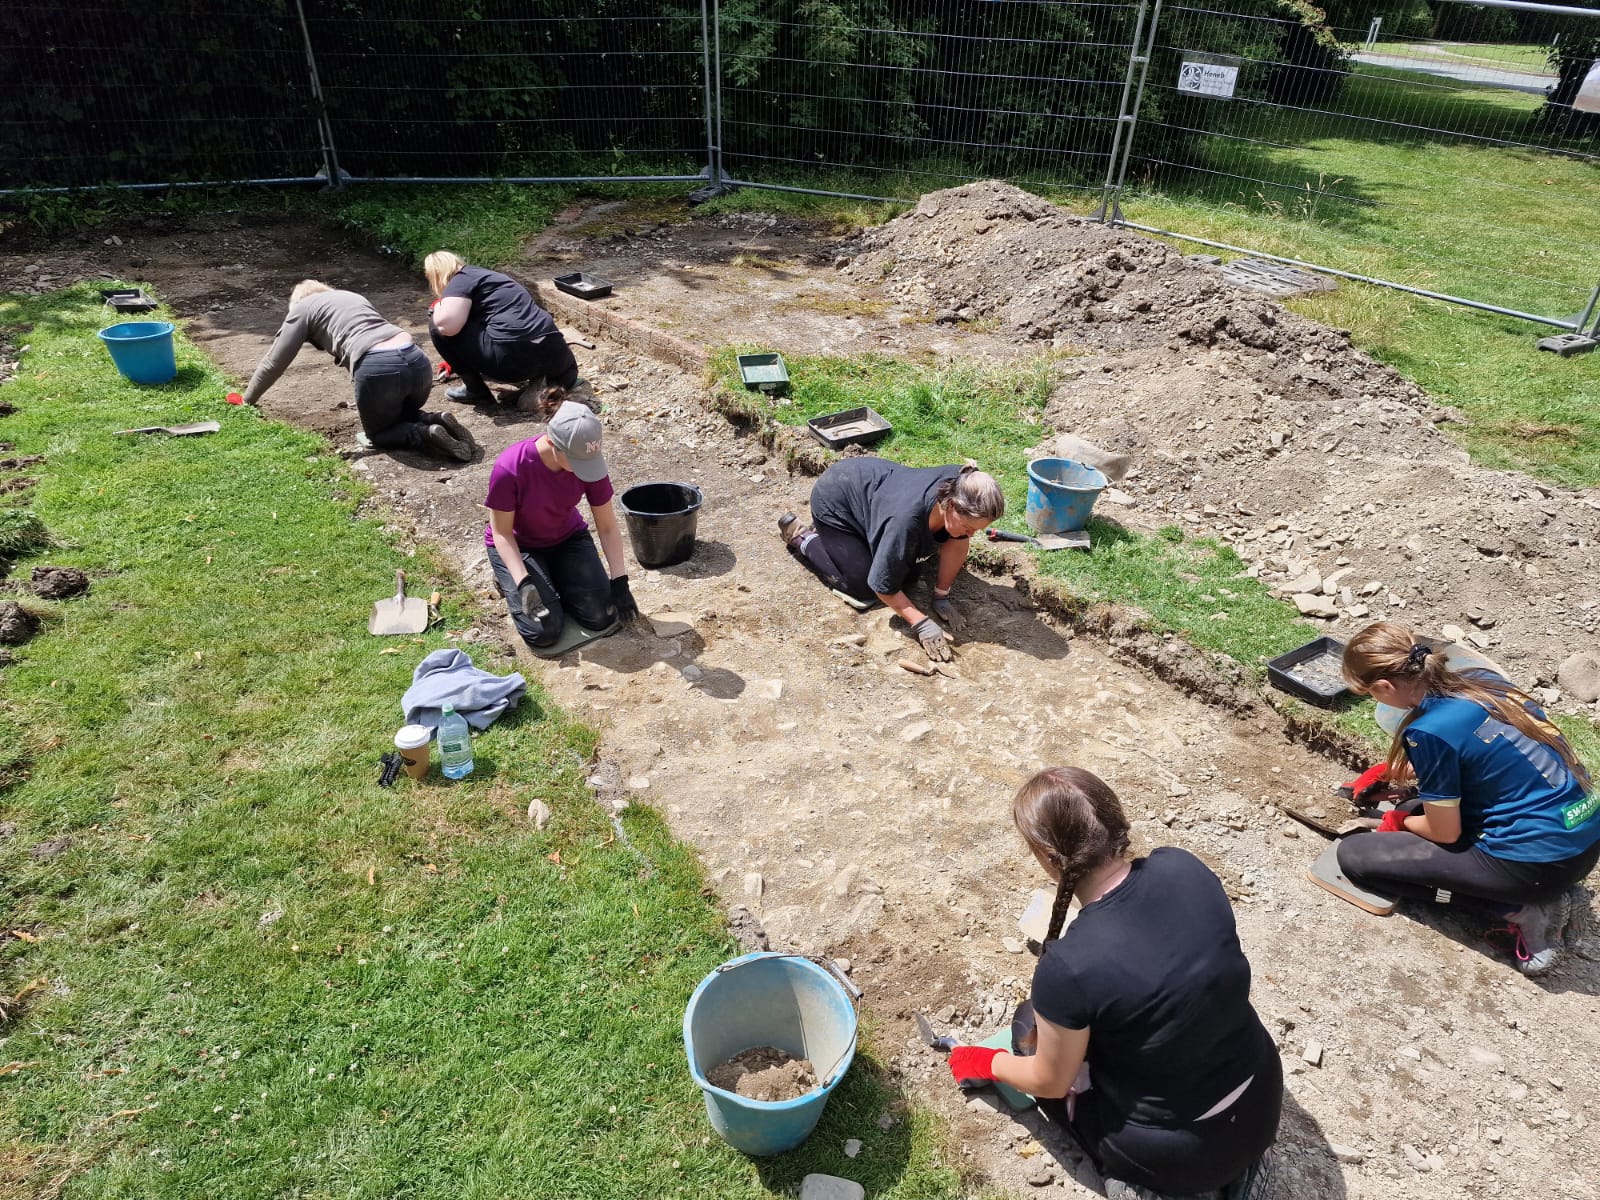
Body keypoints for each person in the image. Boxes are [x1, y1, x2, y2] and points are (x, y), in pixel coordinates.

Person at [946, 767, 1282, 1197]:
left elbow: (1049, 1080)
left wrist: (983, 1062)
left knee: (1027, 1032)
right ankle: (1238, 1168)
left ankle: (1145, 1187)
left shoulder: (1068, 967)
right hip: (1261, 1099)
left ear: (1050, 856)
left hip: (1180, 1155)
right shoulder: (1182, 865)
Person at [1335, 621, 1598, 976]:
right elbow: (1492, 755)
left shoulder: (1428, 730)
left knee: (1356, 857)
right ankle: (1547, 892)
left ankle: (1523, 909)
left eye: (1372, 694)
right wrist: (1410, 780)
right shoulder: (1482, 681)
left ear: (1384, 685)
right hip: (1581, 840)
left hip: (1533, 864)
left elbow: (1443, 832)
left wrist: (1395, 822)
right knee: (1414, 807)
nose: (1376, 701)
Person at [778, 460, 1004, 662]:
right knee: (864, 585)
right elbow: (882, 585)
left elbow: (958, 542)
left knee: (909, 569)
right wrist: (920, 622)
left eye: (976, 530)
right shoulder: (905, 521)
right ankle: (804, 538)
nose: (971, 534)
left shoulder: (963, 483)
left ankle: (859, 540)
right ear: (951, 506)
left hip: (878, 493)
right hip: (837, 499)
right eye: (968, 527)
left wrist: (941, 596)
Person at [239, 280, 474, 461]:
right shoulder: (350, 296)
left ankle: (425, 434)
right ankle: (435, 418)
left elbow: (274, 362)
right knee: (398, 411)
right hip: (416, 359)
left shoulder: (302, 309)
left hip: (379, 368)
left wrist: (247, 399)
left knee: (379, 433)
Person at [484, 394, 638, 649]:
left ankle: (554, 579)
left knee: (603, 616)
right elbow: (501, 533)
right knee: (543, 631)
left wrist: (620, 581)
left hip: (567, 537)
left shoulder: (589, 463)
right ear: (554, 444)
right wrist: (523, 583)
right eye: (577, 462)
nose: (585, 469)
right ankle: (510, 578)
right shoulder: (510, 468)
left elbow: (608, 526)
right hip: (520, 545)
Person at [425, 250, 579, 403]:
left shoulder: (459, 280)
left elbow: (448, 327)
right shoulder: (491, 277)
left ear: (437, 275)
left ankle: (475, 391)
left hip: (513, 361)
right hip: (555, 352)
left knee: (436, 325)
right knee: (562, 368)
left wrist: (436, 308)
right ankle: (549, 386)